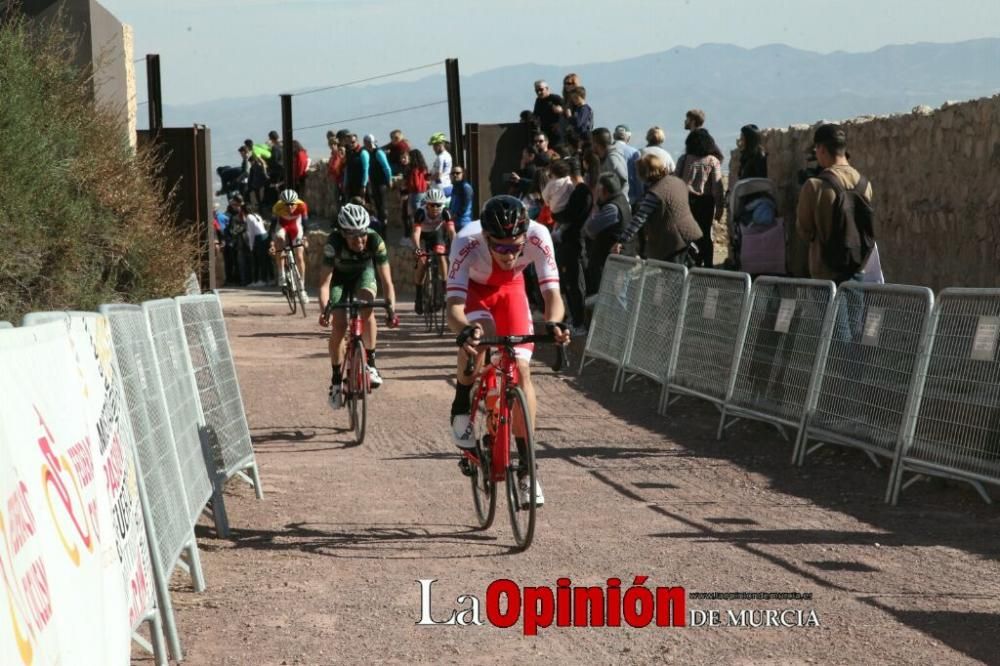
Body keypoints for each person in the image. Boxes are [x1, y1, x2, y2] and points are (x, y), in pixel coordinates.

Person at [446, 196, 571, 506]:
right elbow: (453, 307)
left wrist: (554, 323)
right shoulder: (465, 241)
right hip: (474, 294)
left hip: (511, 291)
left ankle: (528, 471)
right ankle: (461, 402)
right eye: (500, 248)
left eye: (515, 247)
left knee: (521, 367)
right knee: (481, 337)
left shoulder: (538, 236)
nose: (510, 254)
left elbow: (552, 293)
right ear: (486, 238)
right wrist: (465, 330)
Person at [318, 204, 399, 407]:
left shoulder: (375, 240)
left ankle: (371, 364)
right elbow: (324, 283)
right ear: (343, 234)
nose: (359, 240)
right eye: (353, 236)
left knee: (367, 308)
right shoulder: (333, 243)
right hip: (338, 279)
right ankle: (336, 381)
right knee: (339, 325)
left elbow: (387, 281)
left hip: (363, 273)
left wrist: (391, 310)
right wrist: (325, 310)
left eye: (362, 234)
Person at [796, 123, 873, 284]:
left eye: (816, 150)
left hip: (825, 275)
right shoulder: (865, 184)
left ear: (822, 149)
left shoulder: (814, 186)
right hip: (857, 270)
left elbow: (804, 230)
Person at [613, 153, 703, 265]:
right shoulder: (678, 182)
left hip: (671, 243)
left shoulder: (655, 193)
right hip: (689, 234)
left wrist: (622, 240)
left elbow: (639, 219)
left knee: (672, 276)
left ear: (644, 174)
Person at [675, 128, 725, 267]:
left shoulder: (683, 159)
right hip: (705, 203)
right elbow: (717, 187)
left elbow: (676, 181)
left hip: (685, 201)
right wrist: (720, 207)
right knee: (705, 236)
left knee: (685, 234)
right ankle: (707, 266)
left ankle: (687, 263)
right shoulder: (712, 161)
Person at [584, 173, 631, 295]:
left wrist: (594, 204)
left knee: (615, 298)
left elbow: (589, 229)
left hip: (612, 263)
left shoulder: (611, 208)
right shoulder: (622, 200)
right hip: (616, 261)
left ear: (604, 191)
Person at [411, 187, 455, 314]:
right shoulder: (421, 213)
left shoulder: (446, 212)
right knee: (423, 262)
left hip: (437, 235)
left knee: (441, 256)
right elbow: (415, 234)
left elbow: (452, 232)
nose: (435, 208)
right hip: (423, 236)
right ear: (427, 204)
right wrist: (418, 250)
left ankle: (444, 288)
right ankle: (419, 295)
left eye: (438, 205)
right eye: (432, 205)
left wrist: (455, 246)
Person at [270, 188, 310, 301]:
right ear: (282, 203)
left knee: (299, 255)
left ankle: (302, 289)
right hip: (282, 226)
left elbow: (306, 224)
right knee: (279, 240)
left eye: (292, 204)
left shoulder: (302, 205)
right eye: (286, 205)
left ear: (296, 202)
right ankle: (281, 274)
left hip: (296, 227)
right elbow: (273, 226)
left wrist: (305, 238)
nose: (289, 207)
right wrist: (272, 242)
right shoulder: (277, 206)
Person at [364, 134, 392, 225]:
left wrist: (389, 179)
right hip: (374, 182)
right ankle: (379, 222)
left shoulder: (378, 152)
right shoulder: (369, 153)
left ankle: (384, 222)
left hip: (381, 182)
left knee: (382, 204)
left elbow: (386, 167)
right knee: (377, 203)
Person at [531, 80, 564, 147]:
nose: (539, 92)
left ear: (547, 88)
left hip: (557, 135)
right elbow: (536, 115)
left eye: (541, 90)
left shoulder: (555, 98)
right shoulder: (538, 101)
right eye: (536, 91)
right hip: (545, 135)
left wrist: (561, 111)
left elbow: (567, 112)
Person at [448, 165, 474, 231]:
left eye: (457, 173)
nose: (455, 175)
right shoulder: (455, 187)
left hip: (464, 223)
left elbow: (465, 206)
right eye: (453, 173)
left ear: (463, 174)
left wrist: (455, 215)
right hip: (454, 223)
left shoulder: (466, 187)